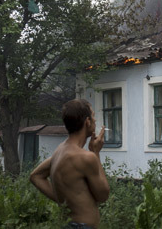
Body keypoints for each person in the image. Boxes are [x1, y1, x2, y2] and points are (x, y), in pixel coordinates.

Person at [30, 98, 110, 229]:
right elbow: (103, 195)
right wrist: (96, 152)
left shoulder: (59, 152)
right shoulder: (85, 157)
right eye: (93, 116)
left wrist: (62, 200)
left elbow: (35, 176)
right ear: (87, 122)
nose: (95, 120)